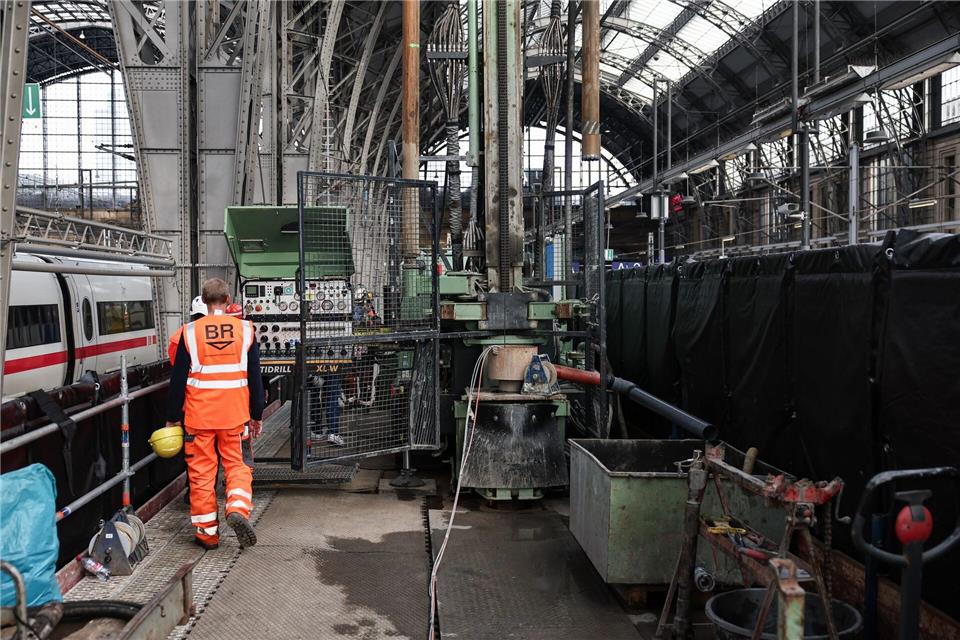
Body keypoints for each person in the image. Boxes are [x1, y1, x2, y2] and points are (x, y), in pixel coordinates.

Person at [166, 278, 264, 550]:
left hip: (199, 418)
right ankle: (237, 508)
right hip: (235, 416)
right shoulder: (245, 330)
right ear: (228, 300)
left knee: (201, 474)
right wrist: (256, 414)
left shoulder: (189, 333)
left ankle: (207, 533)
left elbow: (178, 380)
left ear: (204, 300)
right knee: (238, 466)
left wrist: (172, 417)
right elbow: (255, 378)